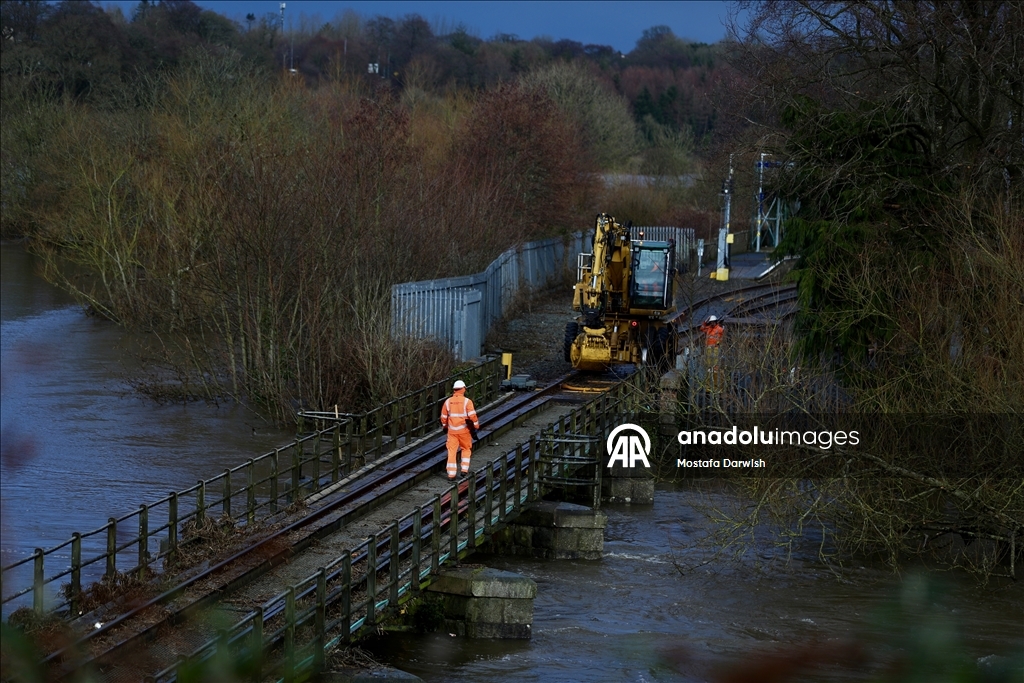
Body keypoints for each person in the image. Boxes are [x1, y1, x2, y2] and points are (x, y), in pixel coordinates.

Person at [440, 379, 480, 480]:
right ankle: (464, 470)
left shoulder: (448, 402)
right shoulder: (467, 402)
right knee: (466, 449)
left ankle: (451, 474)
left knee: (451, 451)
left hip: (452, 431)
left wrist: (445, 427)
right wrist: (476, 426)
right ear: (463, 389)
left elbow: (443, 417)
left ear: (454, 389)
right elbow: (472, 416)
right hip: (464, 431)